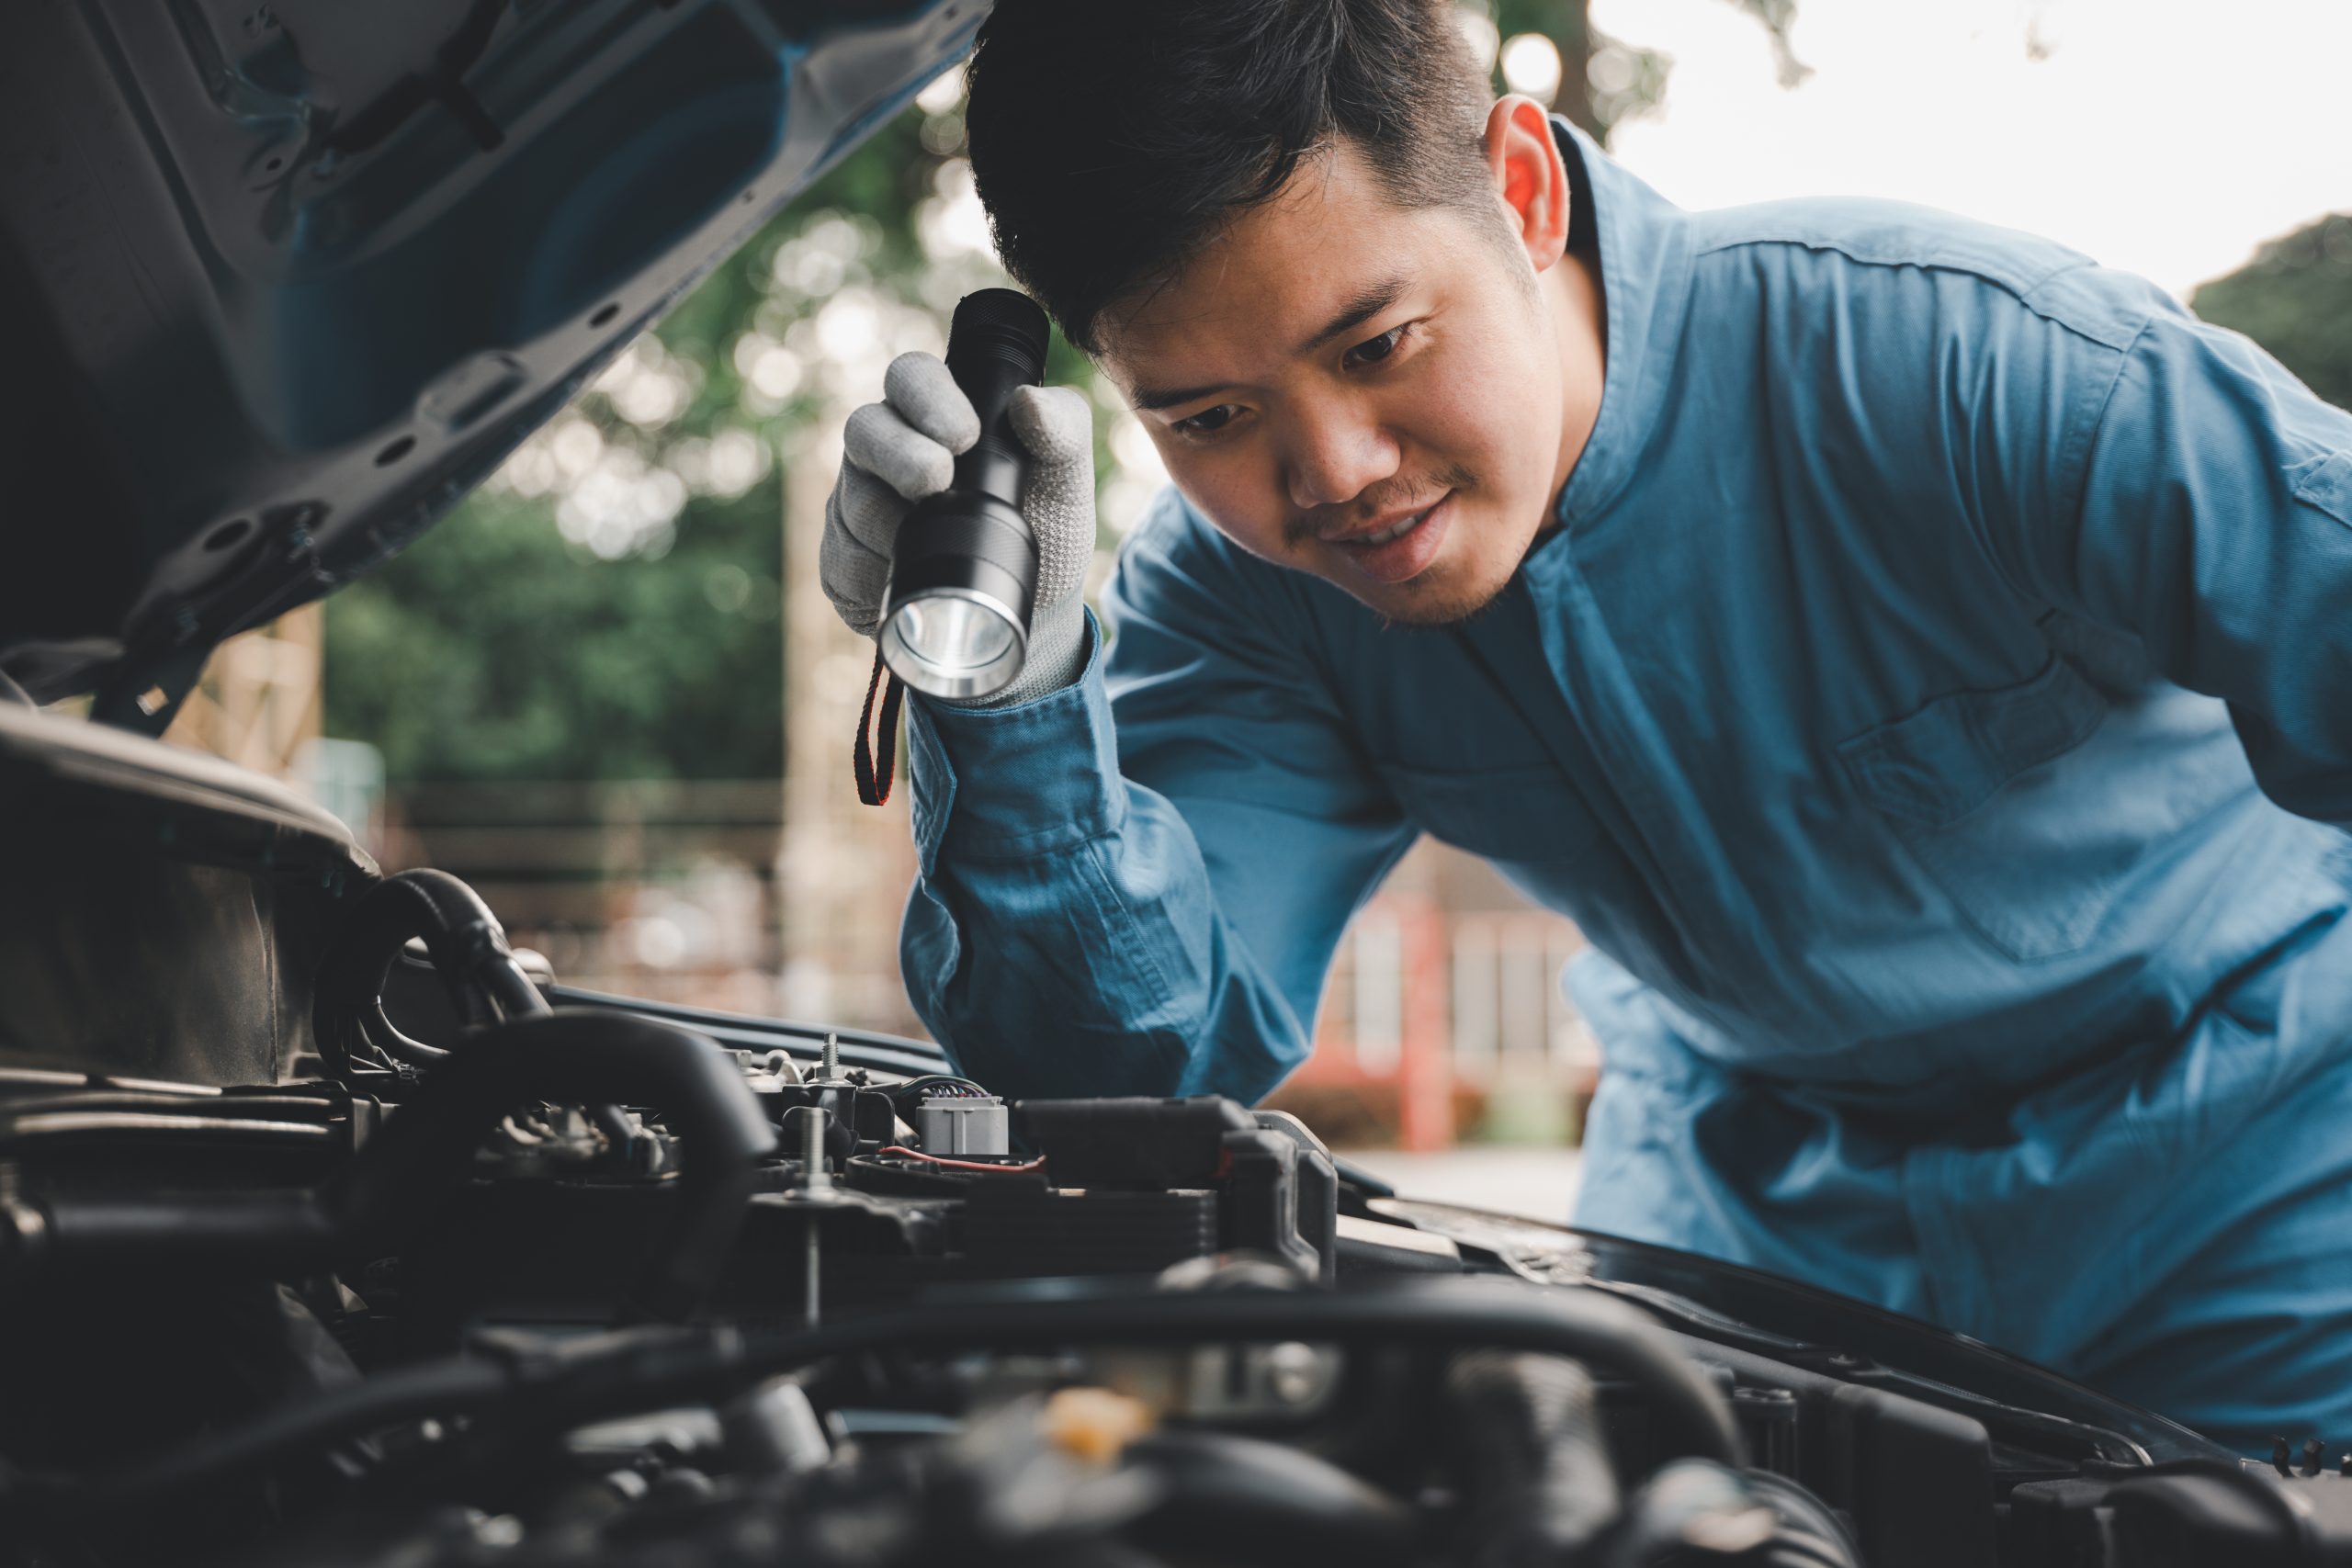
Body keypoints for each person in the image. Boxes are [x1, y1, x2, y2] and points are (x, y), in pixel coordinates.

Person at [819, 0, 2352, 1452]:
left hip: (2267, 1201)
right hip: (1755, 1238)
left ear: (1524, 187)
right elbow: (1117, 1060)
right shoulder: (1245, 602)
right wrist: (1007, 686)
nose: (1335, 471)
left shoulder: (1987, 367)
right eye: (1208, 416)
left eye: (1375, 345)